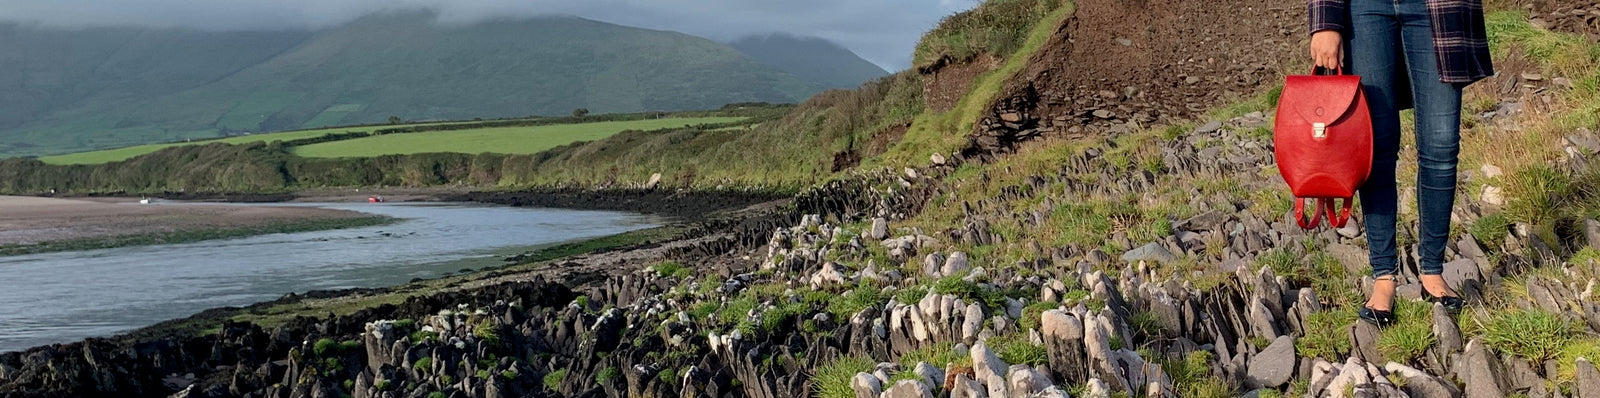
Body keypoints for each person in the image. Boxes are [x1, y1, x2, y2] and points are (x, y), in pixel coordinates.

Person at [1307, 0, 1495, 326]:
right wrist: (1325, 20)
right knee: (1376, 147)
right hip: (1364, 8)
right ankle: (1384, 277)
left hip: (1438, 7)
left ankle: (1432, 271)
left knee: (1441, 145)